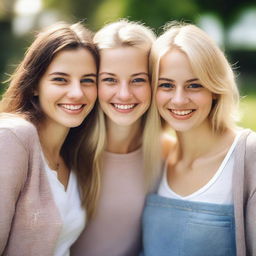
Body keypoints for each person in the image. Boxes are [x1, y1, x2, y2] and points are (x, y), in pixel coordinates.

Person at [141, 22, 256, 256]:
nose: (179, 99)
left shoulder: (248, 156)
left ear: (214, 89)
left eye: (194, 85)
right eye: (166, 85)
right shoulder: (159, 155)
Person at [0, 21, 99, 255]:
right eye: (60, 79)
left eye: (87, 80)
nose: (77, 93)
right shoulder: (12, 138)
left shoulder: (74, 156)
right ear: (35, 85)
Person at [71, 19, 161, 256]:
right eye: (109, 79)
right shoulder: (67, 151)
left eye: (138, 80)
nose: (124, 94)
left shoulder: (166, 154)